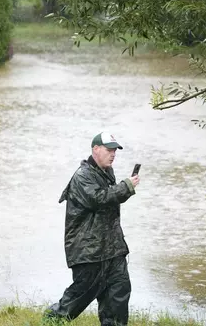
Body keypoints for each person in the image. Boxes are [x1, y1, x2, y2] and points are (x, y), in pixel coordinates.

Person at [45, 131, 140, 326]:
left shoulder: (106, 173)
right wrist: (126, 186)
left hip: (112, 249)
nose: (113, 154)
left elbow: (107, 199)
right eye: (109, 150)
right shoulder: (83, 176)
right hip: (88, 251)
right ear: (95, 149)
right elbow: (99, 199)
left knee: (119, 292)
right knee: (81, 294)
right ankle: (51, 320)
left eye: (115, 150)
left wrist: (123, 188)